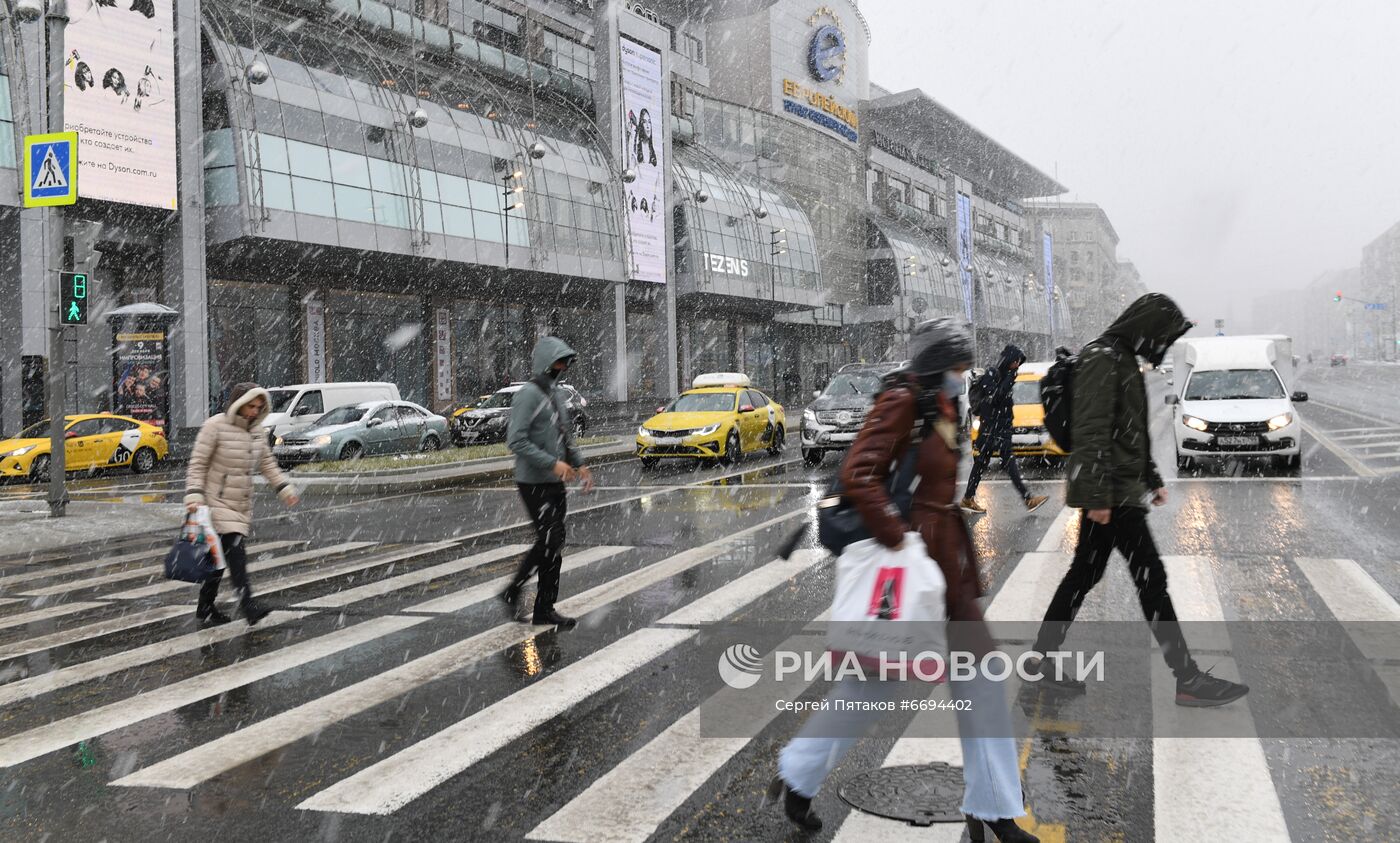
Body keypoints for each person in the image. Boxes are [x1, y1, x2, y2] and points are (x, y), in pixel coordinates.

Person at [771, 318, 1038, 843]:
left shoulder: (941, 401)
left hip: (948, 568)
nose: (966, 373)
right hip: (916, 567)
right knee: (872, 687)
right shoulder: (904, 401)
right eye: (960, 364)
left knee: (980, 683)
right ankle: (797, 772)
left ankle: (994, 809)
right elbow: (859, 474)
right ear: (941, 362)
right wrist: (900, 540)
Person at [1029, 293, 1249, 707]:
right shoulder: (1102, 358)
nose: (1162, 347)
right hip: (1110, 492)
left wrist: (1149, 476)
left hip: (1120, 488)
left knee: (1086, 575)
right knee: (1151, 580)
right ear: (1146, 329)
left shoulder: (1121, 357)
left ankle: (1040, 660)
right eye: (1162, 338)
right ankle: (1186, 677)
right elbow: (1093, 428)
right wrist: (1097, 495)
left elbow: (1127, 429)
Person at [184, 382, 299, 626]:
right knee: (235, 552)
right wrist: (194, 495)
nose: (254, 412)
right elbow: (198, 464)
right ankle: (248, 605)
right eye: (250, 407)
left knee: (217, 560)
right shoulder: (215, 427)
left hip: (240, 503)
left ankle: (205, 606)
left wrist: (283, 488)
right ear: (238, 404)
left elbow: (267, 464)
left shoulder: (257, 431)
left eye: (259, 407)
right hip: (215, 501)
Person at [500, 336, 594, 629]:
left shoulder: (555, 393)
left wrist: (579, 464)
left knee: (554, 543)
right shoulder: (528, 394)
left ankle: (543, 608)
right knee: (550, 540)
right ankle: (514, 590)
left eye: (566, 362)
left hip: (555, 481)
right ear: (545, 362)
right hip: (533, 482)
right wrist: (552, 463)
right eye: (559, 361)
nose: (564, 367)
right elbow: (516, 440)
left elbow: (565, 435)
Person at [960, 344, 1049, 514]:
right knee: (999, 463)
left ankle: (968, 498)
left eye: (1018, 362)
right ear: (1008, 359)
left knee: (983, 464)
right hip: (991, 429)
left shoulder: (1006, 376)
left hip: (1001, 428)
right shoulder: (993, 374)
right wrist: (1009, 378)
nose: (1017, 365)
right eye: (1015, 361)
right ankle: (1028, 498)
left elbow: (1003, 403)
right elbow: (995, 398)